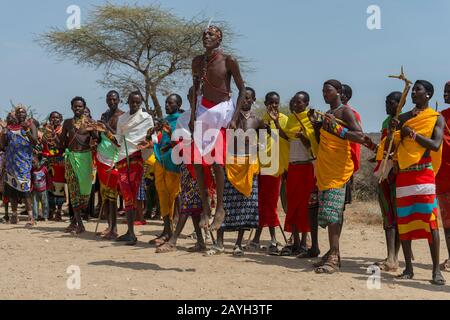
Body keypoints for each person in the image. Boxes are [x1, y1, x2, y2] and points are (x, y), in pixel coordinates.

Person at [309, 80, 372, 274]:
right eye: (323, 91)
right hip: (325, 168)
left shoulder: (345, 112)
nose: (324, 94)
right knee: (331, 213)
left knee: (333, 213)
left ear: (338, 92)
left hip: (338, 169)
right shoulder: (328, 114)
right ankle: (332, 253)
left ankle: (334, 257)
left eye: (328, 90)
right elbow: (324, 140)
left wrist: (337, 128)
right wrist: (318, 126)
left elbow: (359, 136)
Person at [189, 25, 246, 232]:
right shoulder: (197, 61)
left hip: (222, 111)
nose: (206, 36)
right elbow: (196, 89)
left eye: (211, 34)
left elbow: (242, 89)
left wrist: (234, 116)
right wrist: (193, 114)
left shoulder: (228, 60)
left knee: (217, 163)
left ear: (219, 39)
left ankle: (220, 208)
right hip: (203, 111)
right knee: (196, 161)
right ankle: (206, 207)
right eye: (204, 34)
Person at [388, 80, 445, 285]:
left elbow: (436, 145)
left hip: (424, 174)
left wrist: (411, 133)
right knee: (404, 221)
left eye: (417, 90)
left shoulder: (436, 118)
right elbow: (389, 147)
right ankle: (408, 268)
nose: (413, 94)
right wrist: (392, 130)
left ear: (428, 94)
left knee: (430, 222)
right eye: (412, 91)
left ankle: (436, 271)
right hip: (404, 175)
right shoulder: (402, 117)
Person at [207, 87, 264, 256]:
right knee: (224, 202)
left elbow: (263, 143)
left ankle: (238, 244)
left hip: (248, 165)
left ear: (253, 100)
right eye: (243, 98)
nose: (245, 101)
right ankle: (219, 243)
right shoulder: (230, 118)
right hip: (230, 163)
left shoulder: (258, 120)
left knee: (246, 207)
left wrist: (252, 143)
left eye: (248, 98)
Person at [270, 92, 320, 257]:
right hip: (293, 167)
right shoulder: (291, 119)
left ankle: (305, 242)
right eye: (294, 102)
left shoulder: (310, 119)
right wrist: (276, 122)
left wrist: (304, 137)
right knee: (293, 206)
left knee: (306, 206)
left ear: (306, 103)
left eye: (299, 102)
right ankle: (296, 242)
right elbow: (286, 137)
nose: (296, 105)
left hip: (307, 168)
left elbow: (312, 144)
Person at [248, 91, 289, 255]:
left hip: (276, 167)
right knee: (261, 203)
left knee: (271, 204)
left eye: (276, 103)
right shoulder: (260, 120)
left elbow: (286, 139)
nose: (273, 106)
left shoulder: (285, 120)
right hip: (260, 167)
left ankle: (271, 239)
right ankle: (258, 238)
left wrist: (276, 122)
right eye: (270, 103)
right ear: (265, 103)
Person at [114, 91, 154, 245]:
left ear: (141, 103)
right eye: (132, 102)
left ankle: (132, 233)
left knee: (132, 193)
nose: (135, 105)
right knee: (126, 194)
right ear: (128, 101)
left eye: (138, 102)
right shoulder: (122, 119)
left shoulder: (146, 118)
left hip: (136, 158)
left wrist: (148, 143)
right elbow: (118, 139)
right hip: (123, 158)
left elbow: (153, 137)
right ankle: (129, 232)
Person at [59, 97, 98, 234]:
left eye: (80, 106)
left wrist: (93, 129)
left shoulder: (90, 122)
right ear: (71, 108)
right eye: (75, 106)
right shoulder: (67, 123)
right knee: (74, 190)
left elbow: (96, 138)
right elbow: (62, 142)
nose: (77, 108)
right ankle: (80, 225)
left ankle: (74, 221)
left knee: (85, 192)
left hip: (86, 159)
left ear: (84, 107)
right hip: (71, 158)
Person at [373, 92, 402, 272]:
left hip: (398, 173)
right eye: (386, 101)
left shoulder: (405, 121)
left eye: (390, 102)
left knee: (397, 215)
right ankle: (390, 256)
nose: (386, 105)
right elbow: (385, 147)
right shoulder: (386, 123)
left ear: (400, 104)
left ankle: (394, 257)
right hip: (384, 172)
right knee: (387, 215)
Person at [148, 94, 183, 246]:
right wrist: (152, 132)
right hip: (161, 160)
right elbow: (158, 139)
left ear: (178, 104)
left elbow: (182, 140)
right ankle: (166, 230)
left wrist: (170, 138)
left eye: (170, 103)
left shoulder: (182, 120)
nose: (167, 106)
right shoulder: (165, 121)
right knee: (162, 195)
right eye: (166, 103)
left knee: (172, 196)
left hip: (173, 163)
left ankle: (171, 232)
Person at [0, 106, 38, 227]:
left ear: (26, 113)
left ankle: (31, 217)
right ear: (15, 115)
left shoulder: (30, 124)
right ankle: (14, 214)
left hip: (24, 163)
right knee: (11, 190)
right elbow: (3, 145)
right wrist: (3, 132)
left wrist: (26, 130)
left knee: (25, 189)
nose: (21, 114)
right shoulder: (10, 128)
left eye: (23, 112)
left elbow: (35, 142)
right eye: (18, 112)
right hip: (11, 162)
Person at [96, 90, 124, 239]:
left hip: (113, 159)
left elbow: (119, 139)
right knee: (105, 195)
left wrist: (106, 128)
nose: (111, 101)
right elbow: (101, 137)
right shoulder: (104, 115)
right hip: (101, 157)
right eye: (109, 99)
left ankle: (115, 228)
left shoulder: (122, 116)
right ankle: (109, 225)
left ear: (119, 100)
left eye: (114, 99)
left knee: (113, 195)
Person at [42, 112, 66, 222]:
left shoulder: (62, 130)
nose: (55, 119)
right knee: (49, 187)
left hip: (59, 162)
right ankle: (51, 210)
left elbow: (62, 145)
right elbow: (43, 144)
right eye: (52, 117)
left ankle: (59, 211)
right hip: (48, 162)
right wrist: (47, 132)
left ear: (60, 119)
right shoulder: (46, 131)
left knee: (59, 188)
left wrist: (53, 133)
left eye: (57, 117)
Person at [437, 81, 450, 272]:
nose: (445, 94)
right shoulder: (440, 117)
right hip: (443, 175)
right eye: (445, 91)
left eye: (449, 91)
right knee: (447, 222)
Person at [31, 155, 49, 221]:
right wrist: (30, 188)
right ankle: (35, 217)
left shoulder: (44, 168)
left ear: (38, 162)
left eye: (34, 162)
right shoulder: (32, 170)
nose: (33, 164)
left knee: (45, 203)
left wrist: (50, 186)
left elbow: (48, 178)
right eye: (32, 163)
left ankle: (45, 216)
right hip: (35, 190)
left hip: (44, 189)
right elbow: (31, 180)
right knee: (35, 204)